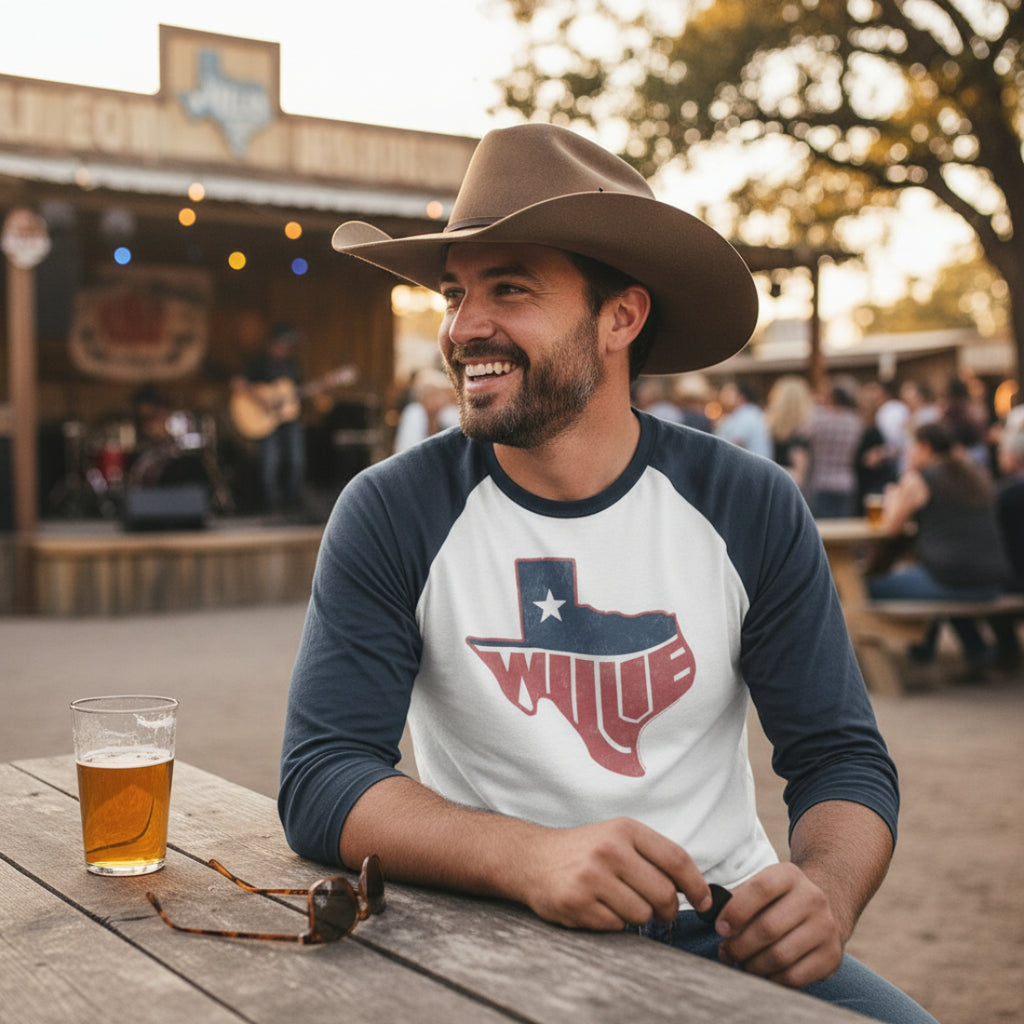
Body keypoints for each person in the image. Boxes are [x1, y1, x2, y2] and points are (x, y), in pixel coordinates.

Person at [280, 123, 936, 1024]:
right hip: (497, 930)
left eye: (508, 288)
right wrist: (531, 858)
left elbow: (841, 760)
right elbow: (322, 775)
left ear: (620, 318)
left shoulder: (747, 502)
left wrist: (823, 892)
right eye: (453, 293)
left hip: (724, 929)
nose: (464, 327)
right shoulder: (392, 509)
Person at [867, 421, 1010, 670]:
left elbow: (891, 528)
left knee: (867, 588)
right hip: (994, 581)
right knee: (933, 577)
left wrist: (894, 493)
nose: (908, 453)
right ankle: (975, 653)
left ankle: (917, 655)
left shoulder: (921, 478)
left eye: (911, 447)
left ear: (925, 447)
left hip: (953, 580)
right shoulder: (974, 475)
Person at [231, 322, 307, 515]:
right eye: (283, 343)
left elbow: (296, 391)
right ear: (274, 343)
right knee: (270, 464)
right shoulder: (258, 362)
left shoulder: (292, 364)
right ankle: (271, 508)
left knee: (296, 460)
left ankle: (291, 506)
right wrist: (262, 400)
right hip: (265, 419)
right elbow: (238, 383)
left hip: (287, 420)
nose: (286, 348)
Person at [805, 380, 863, 519]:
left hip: (820, 480)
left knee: (821, 528)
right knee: (842, 527)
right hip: (845, 480)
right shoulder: (854, 421)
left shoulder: (818, 420)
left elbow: (802, 435)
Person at [764, 374, 813, 492]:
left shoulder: (766, 427)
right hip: (789, 489)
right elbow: (800, 475)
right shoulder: (802, 432)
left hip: (769, 483)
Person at [393, 367, 459, 452]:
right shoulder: (414, 412)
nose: (447, 398)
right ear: (427, 396)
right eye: (440, 394)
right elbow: (409, 449)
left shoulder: (445, 415)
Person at [713, 380, 772, 458]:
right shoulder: (753, 412)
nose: (723, 397)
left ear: (741, 397)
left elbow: (735, 447)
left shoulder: (745, 416)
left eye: (730, 394)